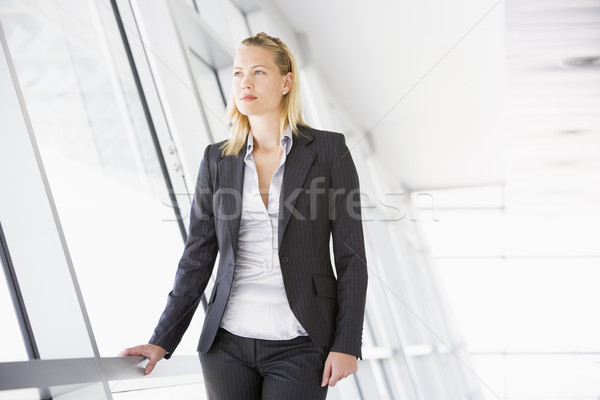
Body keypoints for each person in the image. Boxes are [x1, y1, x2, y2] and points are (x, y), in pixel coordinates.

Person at [120, 32, 368, 400]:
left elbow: (351, 258)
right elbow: (197, 256)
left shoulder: (329, 150)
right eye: (237, 73)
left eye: (258, 72)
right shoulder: (217, 159)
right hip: (226, 345)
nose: (244, 83)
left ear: (286, 82)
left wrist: (347, 343)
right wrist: (162, 340)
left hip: (301, 343)